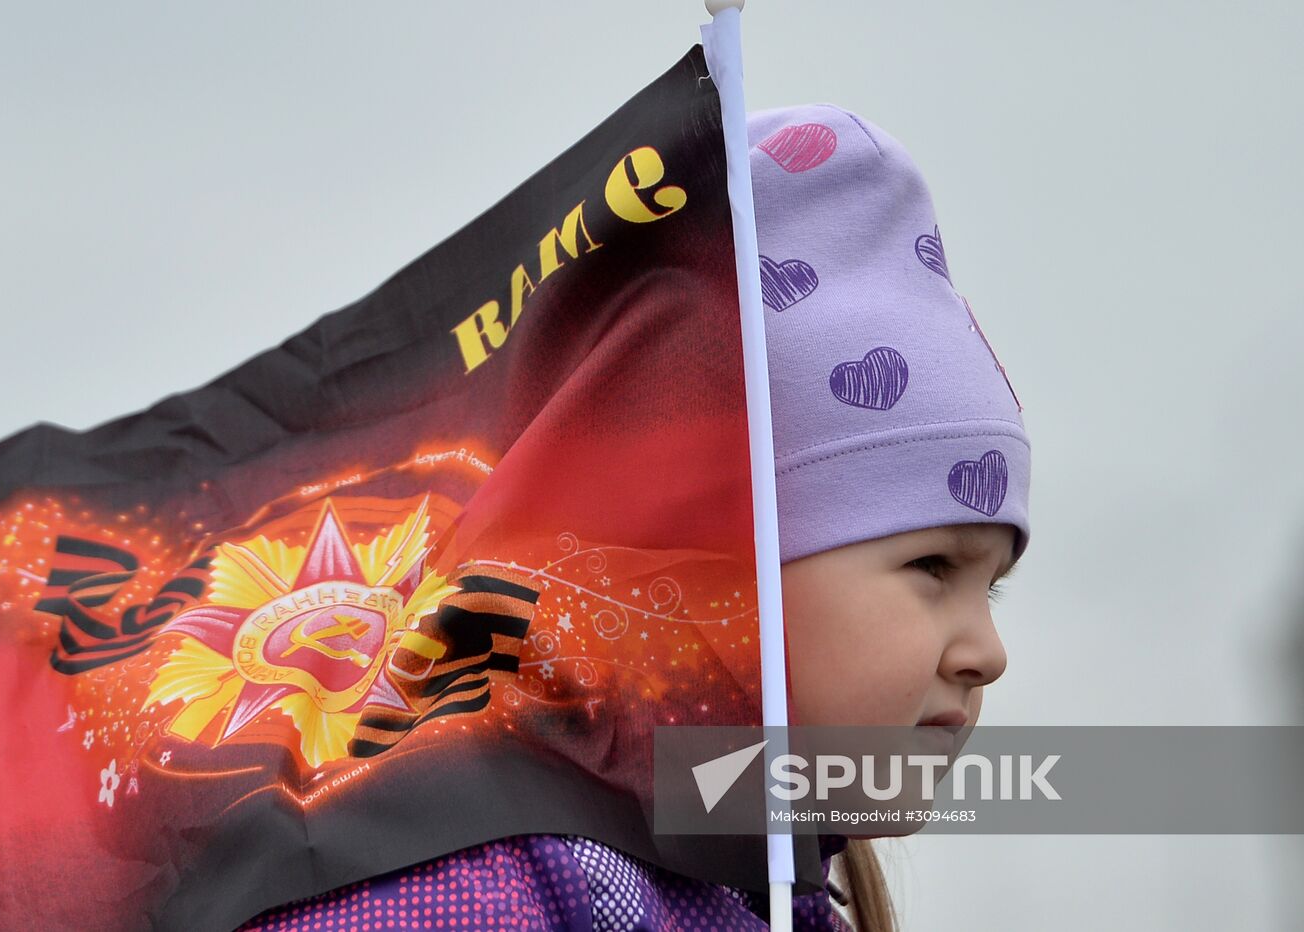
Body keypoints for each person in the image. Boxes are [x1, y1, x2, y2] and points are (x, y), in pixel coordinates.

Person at [235, 102, 1031, 932]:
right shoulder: (481, 887)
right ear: (717, 571)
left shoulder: (781, 892)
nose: (990, 653)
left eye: (993, 587)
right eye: (933, 568)